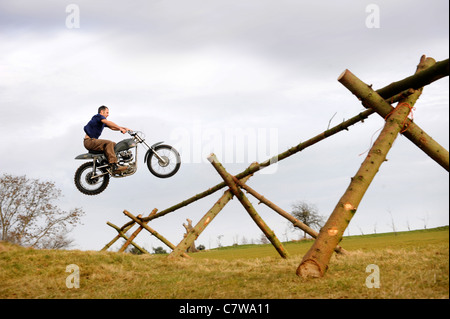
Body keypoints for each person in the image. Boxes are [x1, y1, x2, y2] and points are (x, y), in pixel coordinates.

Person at [83, 105, 131, 173]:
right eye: (107, 112)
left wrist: (124, 128)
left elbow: (112, 127)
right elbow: (107, 122)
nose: (108, 115)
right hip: (89, 141)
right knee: (109, 143)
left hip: (92, 141)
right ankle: (114, 165)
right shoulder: (98, 116)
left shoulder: (101, 121)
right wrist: (120, 128)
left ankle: (112, 162)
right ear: (102, 112)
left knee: (114, 145)